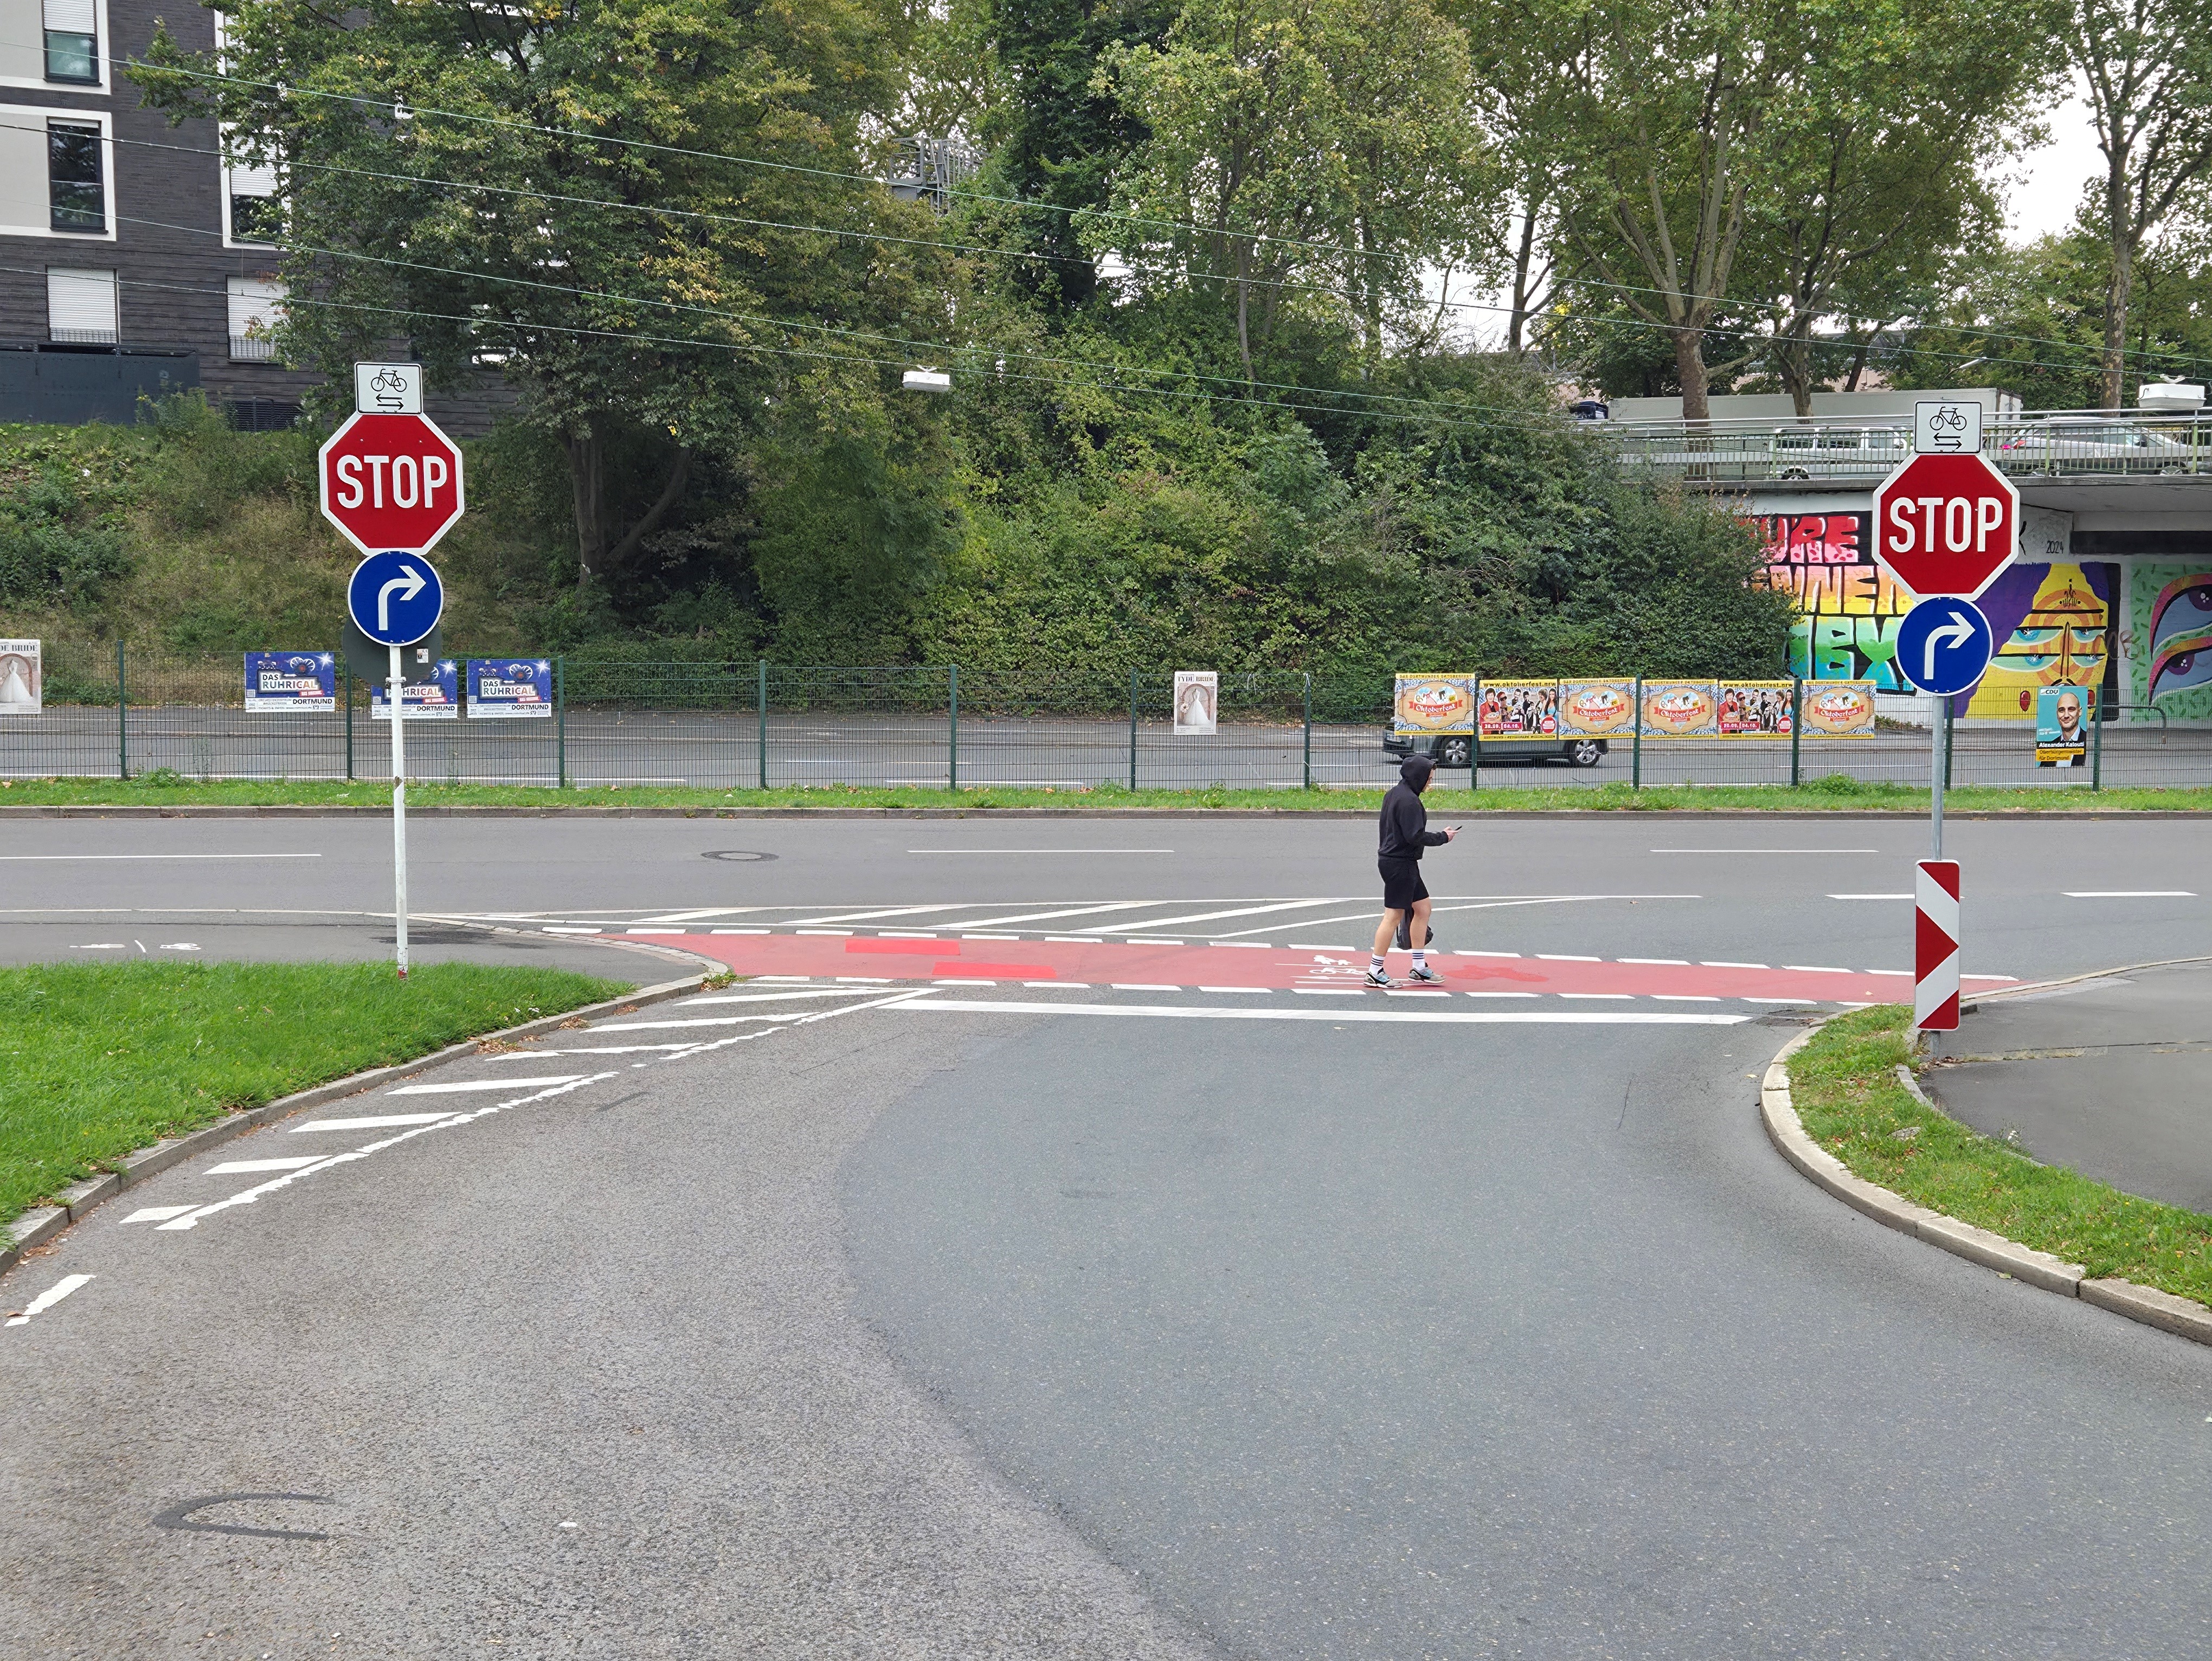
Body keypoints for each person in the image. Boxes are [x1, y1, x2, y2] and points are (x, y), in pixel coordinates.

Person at [1370, 754, 1457, 988]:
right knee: (1393, 916)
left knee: (1423, 908)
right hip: (1399, 864)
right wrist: (1443, 837)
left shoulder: (1395, 793)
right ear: (1418, 777)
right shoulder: (1409, 801)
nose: (1429, 783)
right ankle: (1375, 970)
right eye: (1428, 779)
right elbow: (1414, 836)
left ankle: (1419, 967)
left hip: (1400, 862)